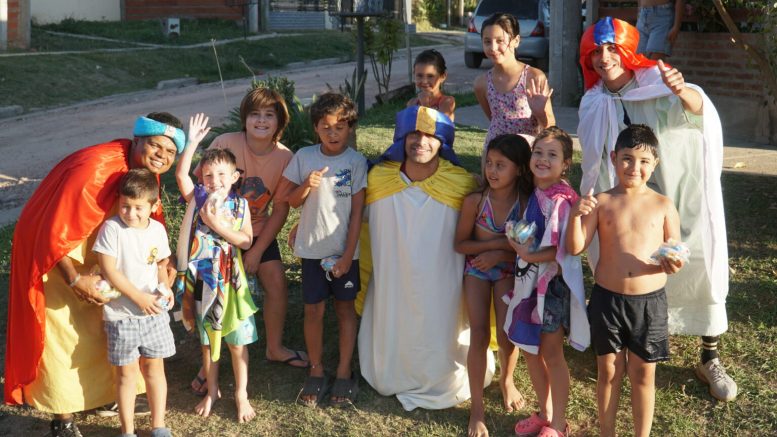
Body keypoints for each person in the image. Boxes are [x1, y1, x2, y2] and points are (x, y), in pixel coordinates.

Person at [578, 17, 736, 402]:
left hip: (672, 192)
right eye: (596, 51)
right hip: (621, 200)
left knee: (697, 259)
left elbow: (697, 114)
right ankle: (619, 340)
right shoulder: (593, 99)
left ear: (627, 51)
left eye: (612, 49)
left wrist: (683, 92)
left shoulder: (653, 83)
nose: (604, 58)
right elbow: (593, 159)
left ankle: (709, 356)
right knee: (624, 262)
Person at [5, 112, 185, 437]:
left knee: (100, 327)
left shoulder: (144, 172)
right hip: (54, 251)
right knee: (63, 331)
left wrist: (163, 265)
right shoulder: (96, 167)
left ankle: (105, 395)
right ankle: (62, 418)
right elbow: (52, 229)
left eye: (170, 151)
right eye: (155, 145)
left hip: (95, 251)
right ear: (138, 140)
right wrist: (75, 279)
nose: (162, 155)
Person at [357, 105, 488, 411]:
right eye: (414, 134)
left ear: (443, 142)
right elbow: (347, 214)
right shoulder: (377, 179)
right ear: (401, 137)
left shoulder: (461, 184)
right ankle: (393, 370)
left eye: (430, 135)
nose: (421, 141)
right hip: (393, 280)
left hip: (443, 282)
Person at [566, 124, 685, 437]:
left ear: (655, 164)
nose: (635, 167)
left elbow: (675, 252)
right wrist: (575, 216)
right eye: (627, 159)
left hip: (649, 305)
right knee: (608, 372)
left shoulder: (663, 205)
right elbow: (575, 247)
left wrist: (674, 263)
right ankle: (607, 432)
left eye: (644, 161)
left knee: (643, 374)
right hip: (608, 300)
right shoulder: (602, 202)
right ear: (614, 158)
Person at [189, 87, 307, 397]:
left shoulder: (285, 157)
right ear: (245, 118)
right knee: (211, 295)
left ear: (280, 121)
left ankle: (275, 347)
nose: (261, 120)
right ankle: (208, 363)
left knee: (276, 282)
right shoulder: (225, 142)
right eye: (255, 114)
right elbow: (199, 185)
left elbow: (280, 209)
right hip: (214, 234)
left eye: (269, 115)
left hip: (255, 231)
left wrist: (256, 251)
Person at [282, 92, 367, 407]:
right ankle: (316, 369)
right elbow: (291, 201)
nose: (333, 133)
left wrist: (348, 255)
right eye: (326, 127)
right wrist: (307, 185)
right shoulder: (304, 156)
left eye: (340, 127)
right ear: (316, 128)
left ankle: (344, 370)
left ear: (350, 128)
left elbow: (357, 213)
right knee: (313, 310)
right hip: (312, 251)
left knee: (345, 310)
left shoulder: (356, 162)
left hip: (345, 253)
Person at [504, 127, 589, 437]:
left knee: (552, 354)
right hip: (529, 284)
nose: (542, 159)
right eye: (538, 152)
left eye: (552, 155)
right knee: (530, 350)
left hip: (551, 288)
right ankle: (545, 412)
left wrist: (526, 252)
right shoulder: (536, 192)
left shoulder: (562, 200)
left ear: (565, 164)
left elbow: (562, 250)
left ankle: (558, 424)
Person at [176, 117, 258, 423]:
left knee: (236, 343)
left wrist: (216, 224)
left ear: (235, 176)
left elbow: (246, 241)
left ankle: (241, 394)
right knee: (207, 341)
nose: (215, 180)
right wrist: (192, 143)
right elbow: (181, 174)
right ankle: (212, 391)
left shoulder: (241, 206)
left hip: (233, 284)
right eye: (208, 175)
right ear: (202, 178)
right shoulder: (198, 198)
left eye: (222, 174)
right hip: (204, 283)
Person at [454, 134, 533, 437]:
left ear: (519, 169)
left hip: (508, 269)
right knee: (479, 334)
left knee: (506, 333)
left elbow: (526, 250)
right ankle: (477, 409)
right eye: (489, 163)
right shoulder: (475, 201)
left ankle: (507, 380)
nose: (492, 170)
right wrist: (493, 249)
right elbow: (460, 244)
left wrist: (499, 253)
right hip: (477, 269)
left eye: (501, 165)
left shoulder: (525, 204)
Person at [92, 169, 176, 437]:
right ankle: (127, 431)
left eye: (138, 207)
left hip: (153, 315)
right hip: (122, 316)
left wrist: (165, 288)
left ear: (154, 205)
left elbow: (160, 266)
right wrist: (138, 297)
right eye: (125, 206)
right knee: (126, 376)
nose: (130, 213)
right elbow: (109, 270)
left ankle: (158, 426)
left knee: (154, 369)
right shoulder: (112, 229)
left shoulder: (158, 230)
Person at [474, 12, 555, 156]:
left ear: (516, 41)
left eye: (500, 41)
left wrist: (540, 114)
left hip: (526, 155)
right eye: (487, 41)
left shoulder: (534, 77)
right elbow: (494, 119)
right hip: (495, 156)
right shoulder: (481, 84)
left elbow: (550, 127)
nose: (493, 48)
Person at [406, 49, 456, 121]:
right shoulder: (412, 103)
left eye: (430, 76)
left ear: (442, 76)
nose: (424, 81)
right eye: (419, 75)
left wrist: (425, 105)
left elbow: (440, 126)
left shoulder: (447, 102)